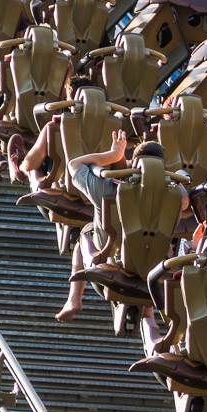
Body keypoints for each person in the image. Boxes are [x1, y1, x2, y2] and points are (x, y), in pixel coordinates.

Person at [57, 134, 168, 322]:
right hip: (153, 277)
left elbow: (74, 165)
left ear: (135, 163)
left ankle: (74, 299)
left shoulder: (108, 188)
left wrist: (114, 155)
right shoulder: (174, 196)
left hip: (109, 269)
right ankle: (148, 312)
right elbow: (184, 198)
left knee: (86, 231)